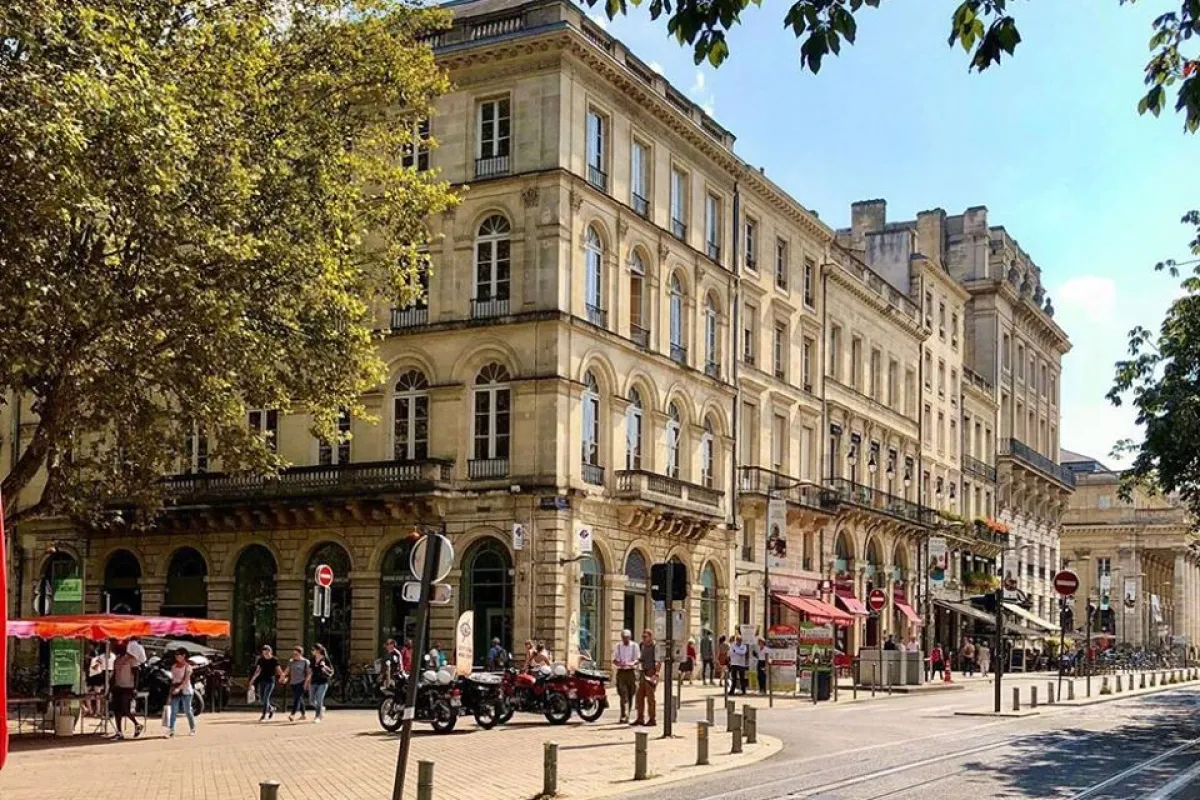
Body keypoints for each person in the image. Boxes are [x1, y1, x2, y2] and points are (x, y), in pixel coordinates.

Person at [110, 644, 142, 740]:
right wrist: (109, 688)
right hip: (117, 686)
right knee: (117, 710)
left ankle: (137, 724)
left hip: (128, 687)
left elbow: (136, 673)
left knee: (125, 708)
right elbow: (114, 674)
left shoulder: (131, 659)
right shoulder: (116, 660)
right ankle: (119, 732)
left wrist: (135, 688)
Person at [248, 644, 284, 721]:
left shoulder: (274, 660)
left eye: (267, 651)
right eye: (264, 651)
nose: (265, 653)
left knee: (266, 697)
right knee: (261, 699)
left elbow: (279, 670)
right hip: (262, 680)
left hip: (270, 681)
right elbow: (258, 671)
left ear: (270, 651)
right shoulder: (261, 660)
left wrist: (282, 677)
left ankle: (263, 715)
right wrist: (252, 680)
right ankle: (271, 708)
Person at [612, 629, 640, 723]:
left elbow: (637, 659)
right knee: (623, 694)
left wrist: (632, 663)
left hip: (631, 672)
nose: (625, 639)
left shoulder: (634, 646)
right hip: (621, 672)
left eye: (627, 637)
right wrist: (619, 663)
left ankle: (627, 714)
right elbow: (614, 659)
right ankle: (624, 715)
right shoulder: (618, 646)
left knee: (631, 693)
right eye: (623, 637)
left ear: (630, 637)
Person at [168, 647, 196, 737]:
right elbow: (173, 680)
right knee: (173, 711)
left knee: (187, 710)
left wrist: (179, 689)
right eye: (176, 655)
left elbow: (186, 681)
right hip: (175, 690)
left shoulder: (188, 667)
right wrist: (171, 691)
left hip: (186, 691)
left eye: (178, 655)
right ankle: (171, 729)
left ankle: (192, 728)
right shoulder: (173, 667)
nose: (177, 657)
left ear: (184, 656)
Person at [633, 628, 658, 727]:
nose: (643, 638)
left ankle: (652, 719)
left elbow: (658, 661)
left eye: (645, 636)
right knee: (639, 696)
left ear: (650, 637)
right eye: (642, 636)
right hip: (643, 672)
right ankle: (640, 718)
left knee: (650, 697)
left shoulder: (655, 646)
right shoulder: (642, 645)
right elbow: (642, 658)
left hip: (651, 672)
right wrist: (637, 662)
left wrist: (656, 673)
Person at [307, 644, 334, 723]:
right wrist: (307, 680)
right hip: (313, 681)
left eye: (313, 649)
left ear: (318, 650)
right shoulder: (312, 659)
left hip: (323, 682)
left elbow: (331, 670)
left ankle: (317, 716)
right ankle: (321, 709)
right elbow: (310, 671)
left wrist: (324, 666)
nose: (312, 651)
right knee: (311, 700)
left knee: (319, 699)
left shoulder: (325, 659)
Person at [286, 646, 311, 721]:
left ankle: (292, 714)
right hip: (293, 682)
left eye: (296, 654)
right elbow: (287, 670)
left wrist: (306, 683)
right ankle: (303, 715)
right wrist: (283, 676)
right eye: (293, 654)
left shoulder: (305, 662)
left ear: (300, 654)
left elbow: (308, 673)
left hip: (301, 682)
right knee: (299, 698)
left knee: (297, 698)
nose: (294, 656)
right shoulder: (291, 661)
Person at [85, 645, 108, 716]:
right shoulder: (91, 656)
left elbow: (97, 665)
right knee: (88, 695)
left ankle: (97, 711)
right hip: (91, 677)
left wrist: (91, 661)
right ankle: (91, 710)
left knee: (96, 695)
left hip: (96, 677)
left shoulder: (96, 656)